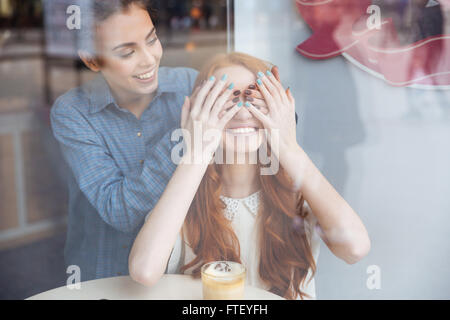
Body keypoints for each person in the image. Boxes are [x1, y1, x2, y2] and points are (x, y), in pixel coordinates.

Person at [128, 52, 371, 300]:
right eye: (225, 100)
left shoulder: (300, 196)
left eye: (255, 99)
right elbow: (144, 271)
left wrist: (288, 146)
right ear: (199, 112)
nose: (243, 113)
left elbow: (355, 248)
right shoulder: (182, 199)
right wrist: (196, 150)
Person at [50, 0, 199, 281]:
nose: (148, 59)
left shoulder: (189, 85)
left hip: (180, 273)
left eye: (152, 40)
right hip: (105, 274)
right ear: (92, 59)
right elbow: (119, 210)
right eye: (127, 52)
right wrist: (184, 138)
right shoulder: (72, 112)